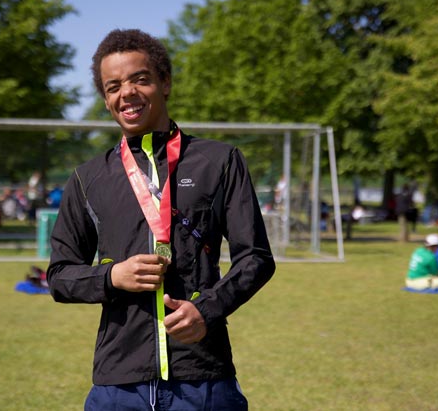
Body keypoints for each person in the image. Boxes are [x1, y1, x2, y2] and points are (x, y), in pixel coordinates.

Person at [47, 29, 275, 410]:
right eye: (113, 86)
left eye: (140, 79)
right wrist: (111, 277)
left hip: (202, 376)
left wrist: (207, 309)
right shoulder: (87, 178)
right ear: (106, 99)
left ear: (165, 83)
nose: (127, 93)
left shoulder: (219, 161)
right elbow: (59, 276)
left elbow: (255, 257)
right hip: (118, 384)